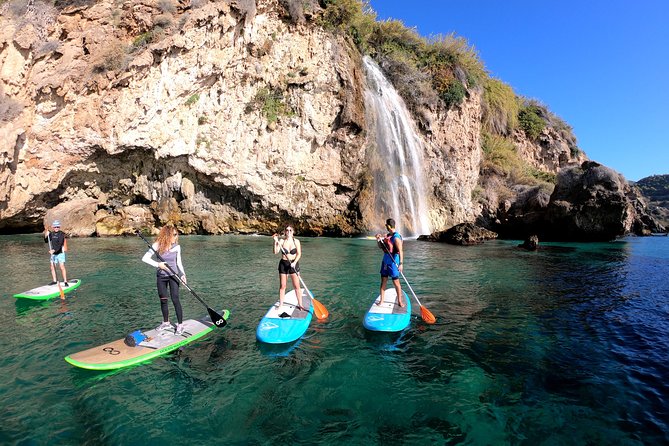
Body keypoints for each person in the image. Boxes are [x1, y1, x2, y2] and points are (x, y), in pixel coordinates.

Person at [142, 225, 187, 335]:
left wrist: (183, 274)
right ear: (168, 235)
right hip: (161, 277)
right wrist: (158, 264)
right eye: (174, 235)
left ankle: (180, 325)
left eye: (177, 235)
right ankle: (166, 322)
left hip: (173, 275)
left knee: (175, 299)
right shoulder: (156, 245)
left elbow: (179, 263)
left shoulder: (177, 247)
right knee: (163, 300)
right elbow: (145, 258)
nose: (176, 237)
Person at [272, 225, 305, 310]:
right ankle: (281, 305)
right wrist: (275, 242)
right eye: (287, 230)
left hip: (294, 264)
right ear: (285, 231)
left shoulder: (296, 241)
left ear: (293, 232)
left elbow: (299, 254)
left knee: (296, 286)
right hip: (283, 264)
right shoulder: (282, 241)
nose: (289, 232)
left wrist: (294, 262)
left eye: (290, 230)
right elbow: (275, 252)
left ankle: (300, 304)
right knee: (283, 286)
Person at [375, 218, 405, 307]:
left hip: (393, 263)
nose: (385, 227)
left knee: (396, 283)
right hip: (385, 262)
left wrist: (401, 264)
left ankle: (400, 301)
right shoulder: (387, 236)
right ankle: (381, 301)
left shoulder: (396, 238)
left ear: (389, 226)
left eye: (386, 226)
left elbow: (401, 251)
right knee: (383, 281)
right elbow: (381, 247)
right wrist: (378, 239)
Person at [43, 220, 69, 286]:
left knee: (61, 267)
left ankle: (65, 281)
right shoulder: (51, 234)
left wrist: (53, 250)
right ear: (53, 227)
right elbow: (46, 241)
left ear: (59, 227)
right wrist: (46, 234)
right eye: (55, 227)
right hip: (54, 254)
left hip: (60, 253)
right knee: (52, 267)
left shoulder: (62, 234)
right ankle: (54, 281)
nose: (56, 228)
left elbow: (60, 244)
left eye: (57, 227)